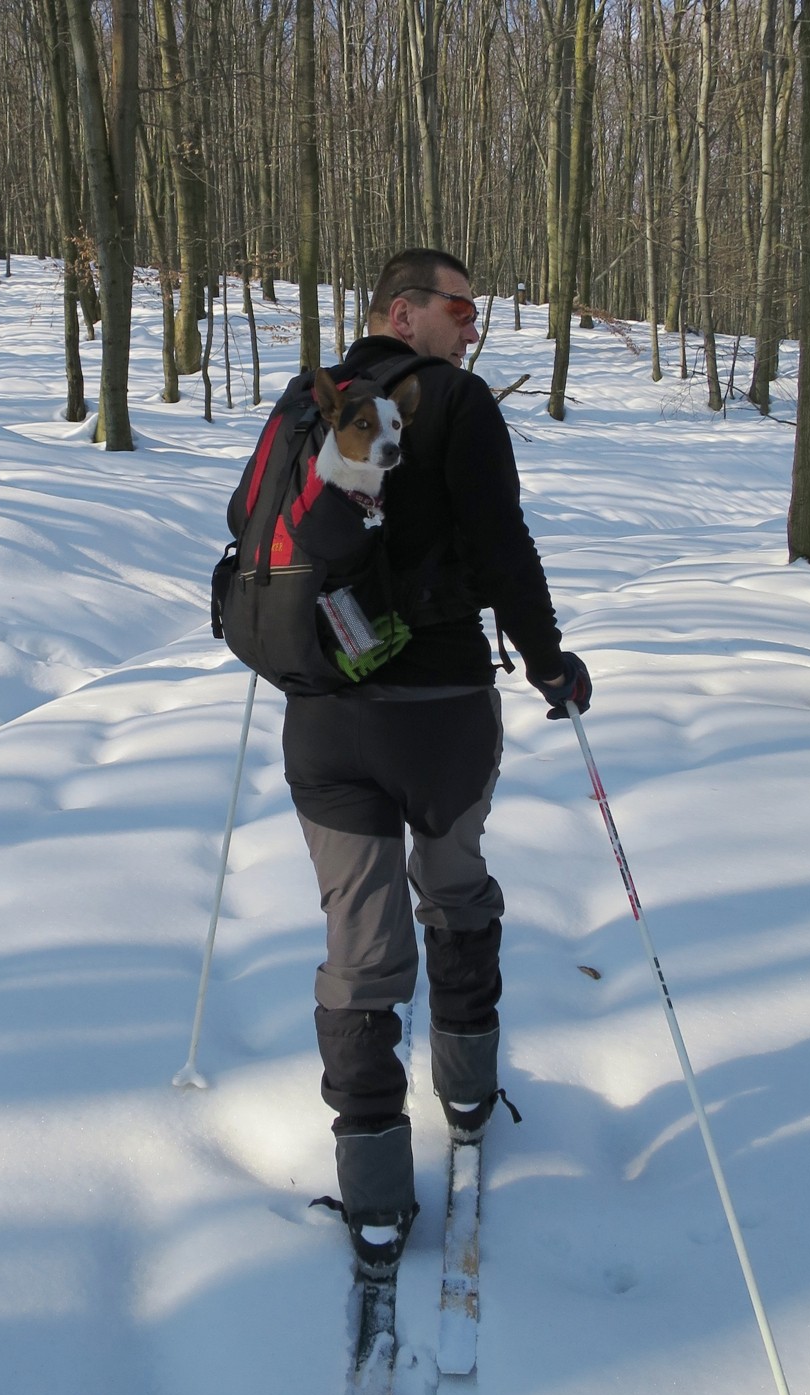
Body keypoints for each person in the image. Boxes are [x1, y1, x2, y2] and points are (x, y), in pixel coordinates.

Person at [282, 247, 591, 1276]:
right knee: (453, 889)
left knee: (358, 943)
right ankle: (463, 1096)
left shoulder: (311, 400)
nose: (472, 326)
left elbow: (262, 539)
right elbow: (503, 544)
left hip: (323, 718)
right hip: (442, 712)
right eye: (458, 309)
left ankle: (375, 1191)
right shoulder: (455, 402)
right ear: (400, 311)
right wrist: (547, 663)